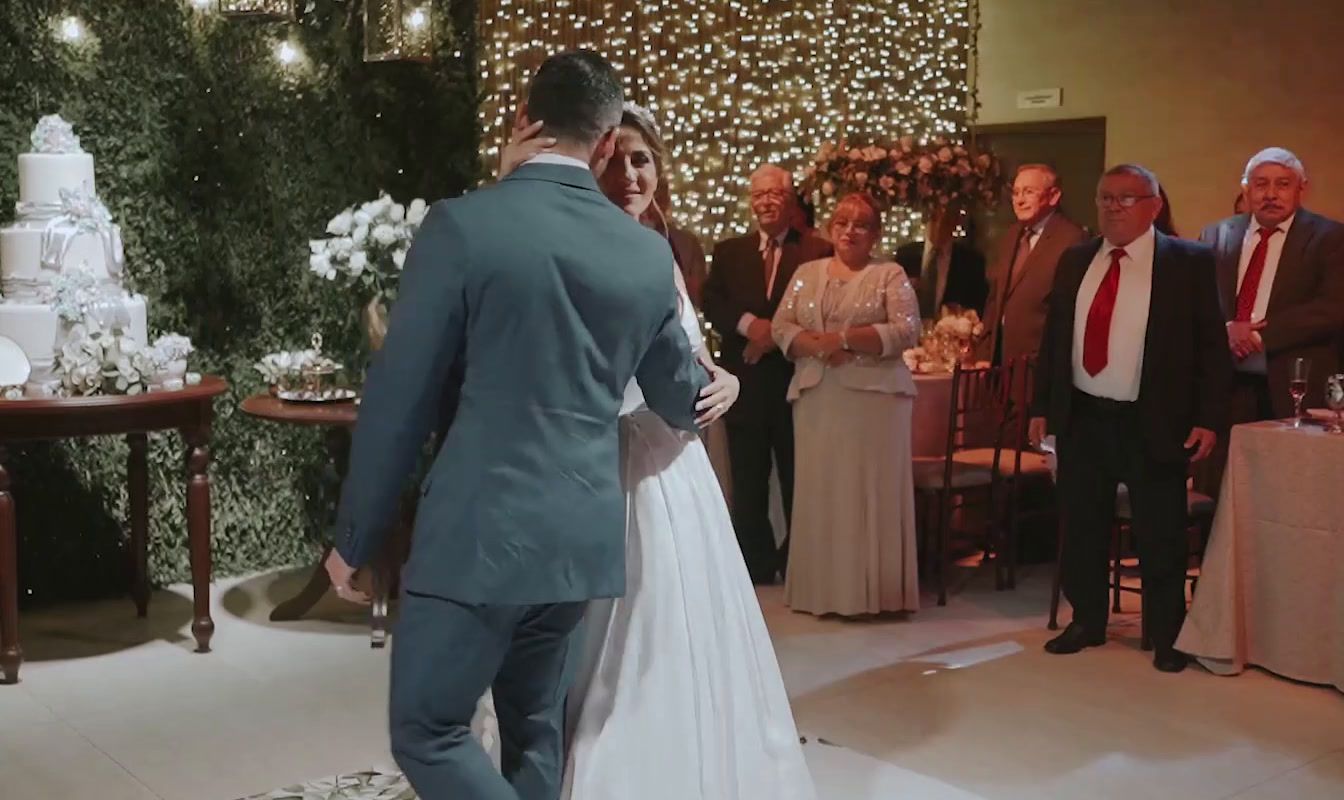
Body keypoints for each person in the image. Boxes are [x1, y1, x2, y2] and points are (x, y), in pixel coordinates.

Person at [324, 52, 719, 799]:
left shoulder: (464, 225)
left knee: (428, 731)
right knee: (534, 734)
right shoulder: (643, 251)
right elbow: (677, 396)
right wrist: (715, 379)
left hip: (480, 530)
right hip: (581, 535)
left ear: (521, 121)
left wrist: (355, 536)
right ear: (605, 144)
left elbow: (399, 397)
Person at [497, 103, 817, 798]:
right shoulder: (568, 240)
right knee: (586, 631)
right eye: (617, 160)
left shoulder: (662, 249)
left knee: (675, 620)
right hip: (592, 454)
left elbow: (691, 356)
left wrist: (725, 377)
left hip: (669, 461)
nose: (631, 174)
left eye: (643, 160)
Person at [1028, 164, 1232, 673]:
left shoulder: (1188, 261)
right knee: (1083, 525)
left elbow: (1212, 345)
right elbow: (1055, 341)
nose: (1114, 207)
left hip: (1153, 418)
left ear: (1154, 204)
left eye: (1127, 198)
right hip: (1083, 416)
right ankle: (1088, 621)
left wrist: (1209, 417)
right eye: (1105, 198)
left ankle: (1165, 634)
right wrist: (1041, 407)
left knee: (1159, 529)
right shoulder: (1077, 259)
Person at [773, 193, 922, 616]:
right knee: (822, 490)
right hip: (818, 395)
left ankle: (873, 595)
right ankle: (821, 592)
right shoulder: (806, 272)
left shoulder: (889, 274)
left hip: (875, 401)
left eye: (860, 224)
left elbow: (906, 331)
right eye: (841, 222)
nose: (849, 231)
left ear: (875, 233)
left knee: (866, 495)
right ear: (829, 228)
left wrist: (842, 339)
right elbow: (783, 324)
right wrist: (819, 347)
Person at [703, 165, 832, 584]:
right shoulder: (728, 251)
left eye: (775, 193)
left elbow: (822, 308)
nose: (766, 202)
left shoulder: (817, 250)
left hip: (797, 382)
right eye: (759, 194)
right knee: (748, 480)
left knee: (800, 479)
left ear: (790, 200)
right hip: (745, 383)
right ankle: (754, 566)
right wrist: (747, 327)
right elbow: (712, 302)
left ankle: (800, 564)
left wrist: (773, 335)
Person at [1195, 147, 1344, 494]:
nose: (1271, 194)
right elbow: (1197, 304)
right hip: (1226, 385)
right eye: (1261, 184)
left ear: (1301, 189)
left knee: (1290, 492)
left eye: (1283, 184)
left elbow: (1334, 305)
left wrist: (1261, 335)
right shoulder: (1215, 235)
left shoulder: (1330, 237)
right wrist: (1226, 331)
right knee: (1222, 490)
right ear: (1246, 189)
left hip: (1294, 382)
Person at [978, 163, 1087, 367]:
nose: (1019, 200)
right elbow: (995, 300)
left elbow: (1072, 312)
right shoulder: (1011, 236)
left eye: (1029, 192)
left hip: (1042, 364)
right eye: (1016, 193)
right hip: (1001, 363)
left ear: (1053, 196)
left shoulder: (1072, 239)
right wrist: (984, 353)